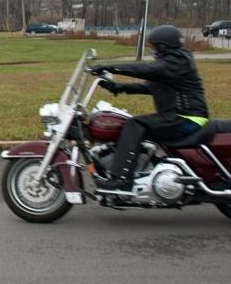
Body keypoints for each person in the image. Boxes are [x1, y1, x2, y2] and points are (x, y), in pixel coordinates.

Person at [88, 25, 209, 190]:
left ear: (163, 47)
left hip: (187, 118)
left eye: (154, 47)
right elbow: (150, 87)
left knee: (134, 124)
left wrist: (109, 67)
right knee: (132, 123)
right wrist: (118, 87)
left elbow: (146, 70)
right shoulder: (174, 63)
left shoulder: (177, 61)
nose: (153, 51)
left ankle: (121, 178)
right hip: (179, 116)